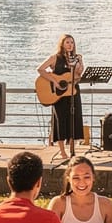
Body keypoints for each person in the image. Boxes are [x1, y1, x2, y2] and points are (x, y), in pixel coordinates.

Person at [38, 34, 84, 162]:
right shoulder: (55, 58)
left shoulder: (76, 58)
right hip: (58, 95)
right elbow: (40, 69)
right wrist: (55, 81)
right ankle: (62, 152)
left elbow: (78, 75)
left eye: (72, 42)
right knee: (60, 122)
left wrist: (80, 62)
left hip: (73, 93)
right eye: (68, 42)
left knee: (75, 120)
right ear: (62, 44)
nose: (70, 45)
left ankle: (72, 152)